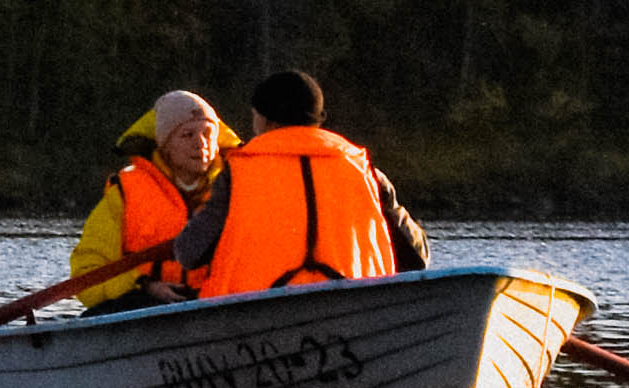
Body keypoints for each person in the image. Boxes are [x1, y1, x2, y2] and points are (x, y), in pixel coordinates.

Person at [163, 68, 431, 294]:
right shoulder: (367, 171)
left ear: (263, 119)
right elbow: (418, 256)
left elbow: (189, 253)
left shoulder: (237, 174)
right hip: (353, 311)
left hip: (257, 320)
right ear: (318, 118)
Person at [72, 91, 223, 309]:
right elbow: (87, 274)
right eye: (187, 135)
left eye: (208, 133)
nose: (201, 144)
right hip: (141, 306)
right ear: (165, 145)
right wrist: (145, 286)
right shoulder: (125, 194)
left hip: (215, 308)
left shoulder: (233, 191)